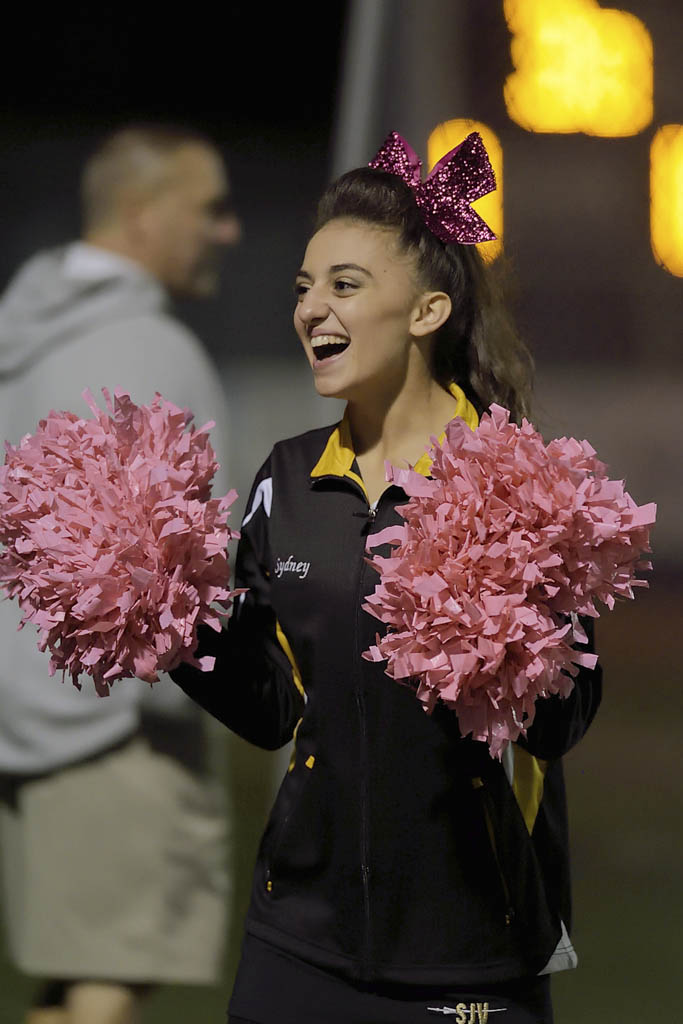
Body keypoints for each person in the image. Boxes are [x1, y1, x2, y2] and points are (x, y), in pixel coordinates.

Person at [171, 131, 602, 1024]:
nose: (309, 309)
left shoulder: (518, 482)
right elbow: (271, 711)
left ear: (426, 311)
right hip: (298, 938)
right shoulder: (286, 479)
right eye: (303, 288)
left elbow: (561, 723)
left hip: (470, 960)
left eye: (342, 285)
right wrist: (171, 619)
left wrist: (508, 634)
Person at [0, 124, 241, 1024]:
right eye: (209, 209)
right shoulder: (140, 343)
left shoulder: (27, 329)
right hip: (116, 719)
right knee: (106, 979)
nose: (228, 232)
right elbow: (169, 562)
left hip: (35, 703)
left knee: (72, 980)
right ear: (142, 215)